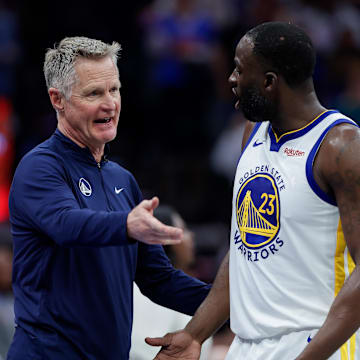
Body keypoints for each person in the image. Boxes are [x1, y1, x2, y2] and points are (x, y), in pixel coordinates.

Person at [146, 21, 360, 359]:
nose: (231, 79)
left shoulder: (340, 146)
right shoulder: (252, 134)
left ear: (269, 82)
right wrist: (195, 334)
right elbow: (243, 252)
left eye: (239, 69)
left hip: (316, 343)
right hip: (246, 345)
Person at [6, 37, 210, 360]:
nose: (110, 103)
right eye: (94, 93)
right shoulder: (39, 167)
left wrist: (231, 303)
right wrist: (127, 224)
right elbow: (66, 223)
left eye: (114, 89)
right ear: (57, 99)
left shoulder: (122, 180)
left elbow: (159, 279)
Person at [130, 205, 212, 360]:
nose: (191, 235)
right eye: (184, 229)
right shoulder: (149, 291)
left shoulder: (184, 287)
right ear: (164, 238)